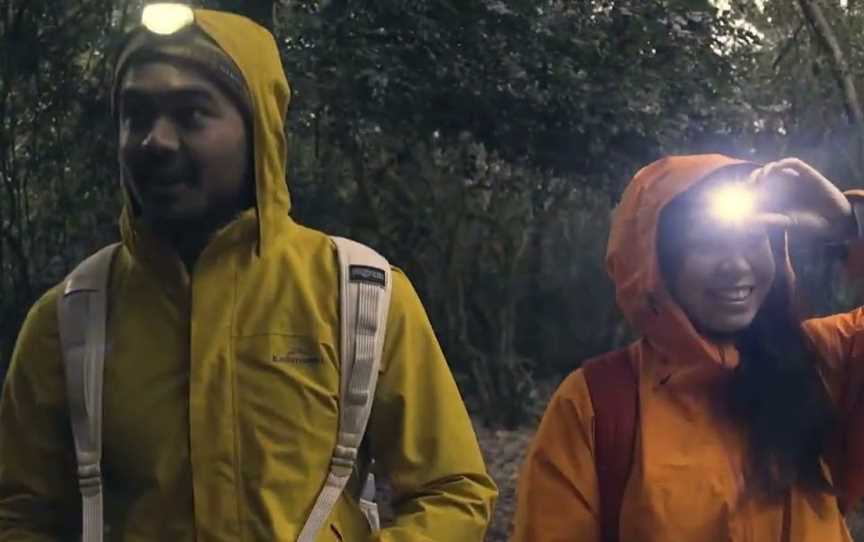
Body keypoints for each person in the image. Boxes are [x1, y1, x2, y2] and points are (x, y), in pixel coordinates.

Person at [0, 6, 496, 541]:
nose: (155, 141)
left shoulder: (360, 296)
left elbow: (453, 491)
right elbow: (19, 511)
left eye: (191, 114)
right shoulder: (71, 317)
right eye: (136, 115)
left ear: (260, 131)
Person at [513, 154, 864, 541]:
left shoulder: (821, 358)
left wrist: (850, 223)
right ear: (654, 264)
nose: (736, 266)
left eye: (752, 240)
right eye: (706, 244)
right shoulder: (596, 404)